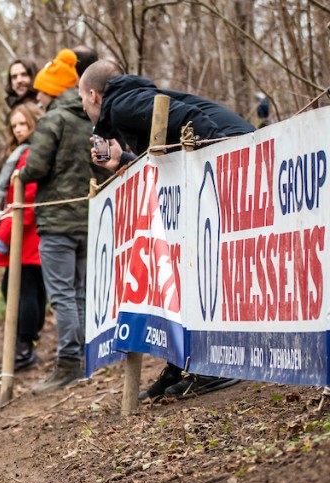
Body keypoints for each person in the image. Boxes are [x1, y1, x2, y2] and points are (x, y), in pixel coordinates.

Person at [79, 59, 251, 400]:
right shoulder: (126, 105)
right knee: (177, 266)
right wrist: (124, 162)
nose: (83, 107)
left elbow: (187, 118)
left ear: (94, 95)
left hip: (233, 158)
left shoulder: (124, 103)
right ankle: (182, 362)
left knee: (201, 265)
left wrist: (225, 158)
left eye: (82, 100)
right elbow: (165, 147)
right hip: (218, 165)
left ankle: (213, 366)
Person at [18, 48, 111, 394]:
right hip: (88, 218)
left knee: (62, 296)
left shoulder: (53, 120)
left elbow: (36, 168)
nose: (38, 96)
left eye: (42, 90)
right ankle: (86, 360)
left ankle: (69, 364)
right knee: (81, 293)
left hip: (57, 220)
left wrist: (20, 175)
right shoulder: (92, 118)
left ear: (53, 90)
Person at [0, 103, 47, 372]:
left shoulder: (31, 154)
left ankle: (25, 345)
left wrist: (3, 234)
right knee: (25, 290)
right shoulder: (23, 152)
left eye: (23, 124)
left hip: (27, 235)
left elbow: (25, 198)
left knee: (23, 290)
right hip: (25, 233)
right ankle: (26, 343)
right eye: (14, 126)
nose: (18, 130)